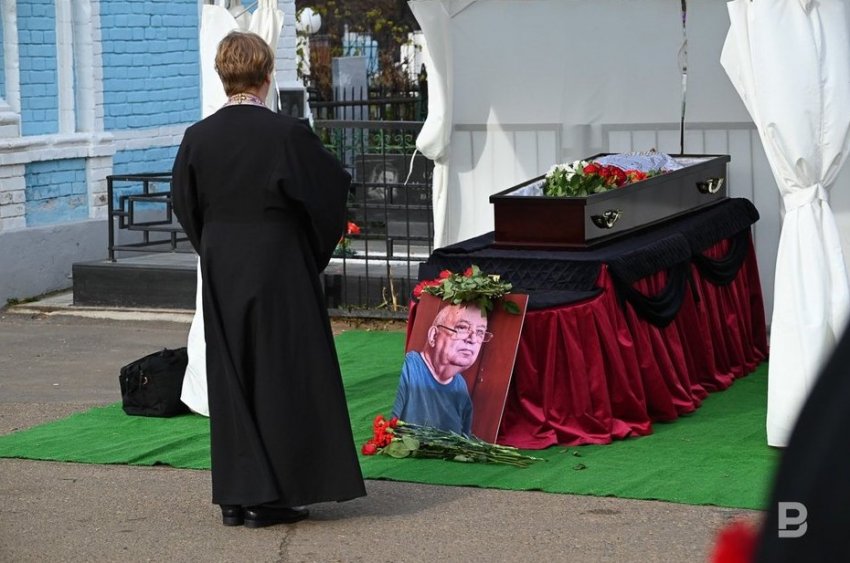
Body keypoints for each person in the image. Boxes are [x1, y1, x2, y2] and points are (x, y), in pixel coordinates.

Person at [171, 30, 366, 529]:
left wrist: (215, 246)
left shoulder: (198, 136)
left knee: (231, 373)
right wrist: (306, 251)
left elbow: (184, 205)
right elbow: (328, 194)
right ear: (266, 74)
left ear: (222, 76)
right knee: (280, 372)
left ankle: (237, 496)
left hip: (223, 263)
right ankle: (271, 499)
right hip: (277, 262)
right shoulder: (286, 133)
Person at [391, 302, 492, 435]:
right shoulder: (407, 370)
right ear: (434, 335)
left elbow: (463, 439)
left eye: (480, 332)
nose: (472, 339)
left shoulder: (461, 386)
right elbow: (385, 430)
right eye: (462, 327)